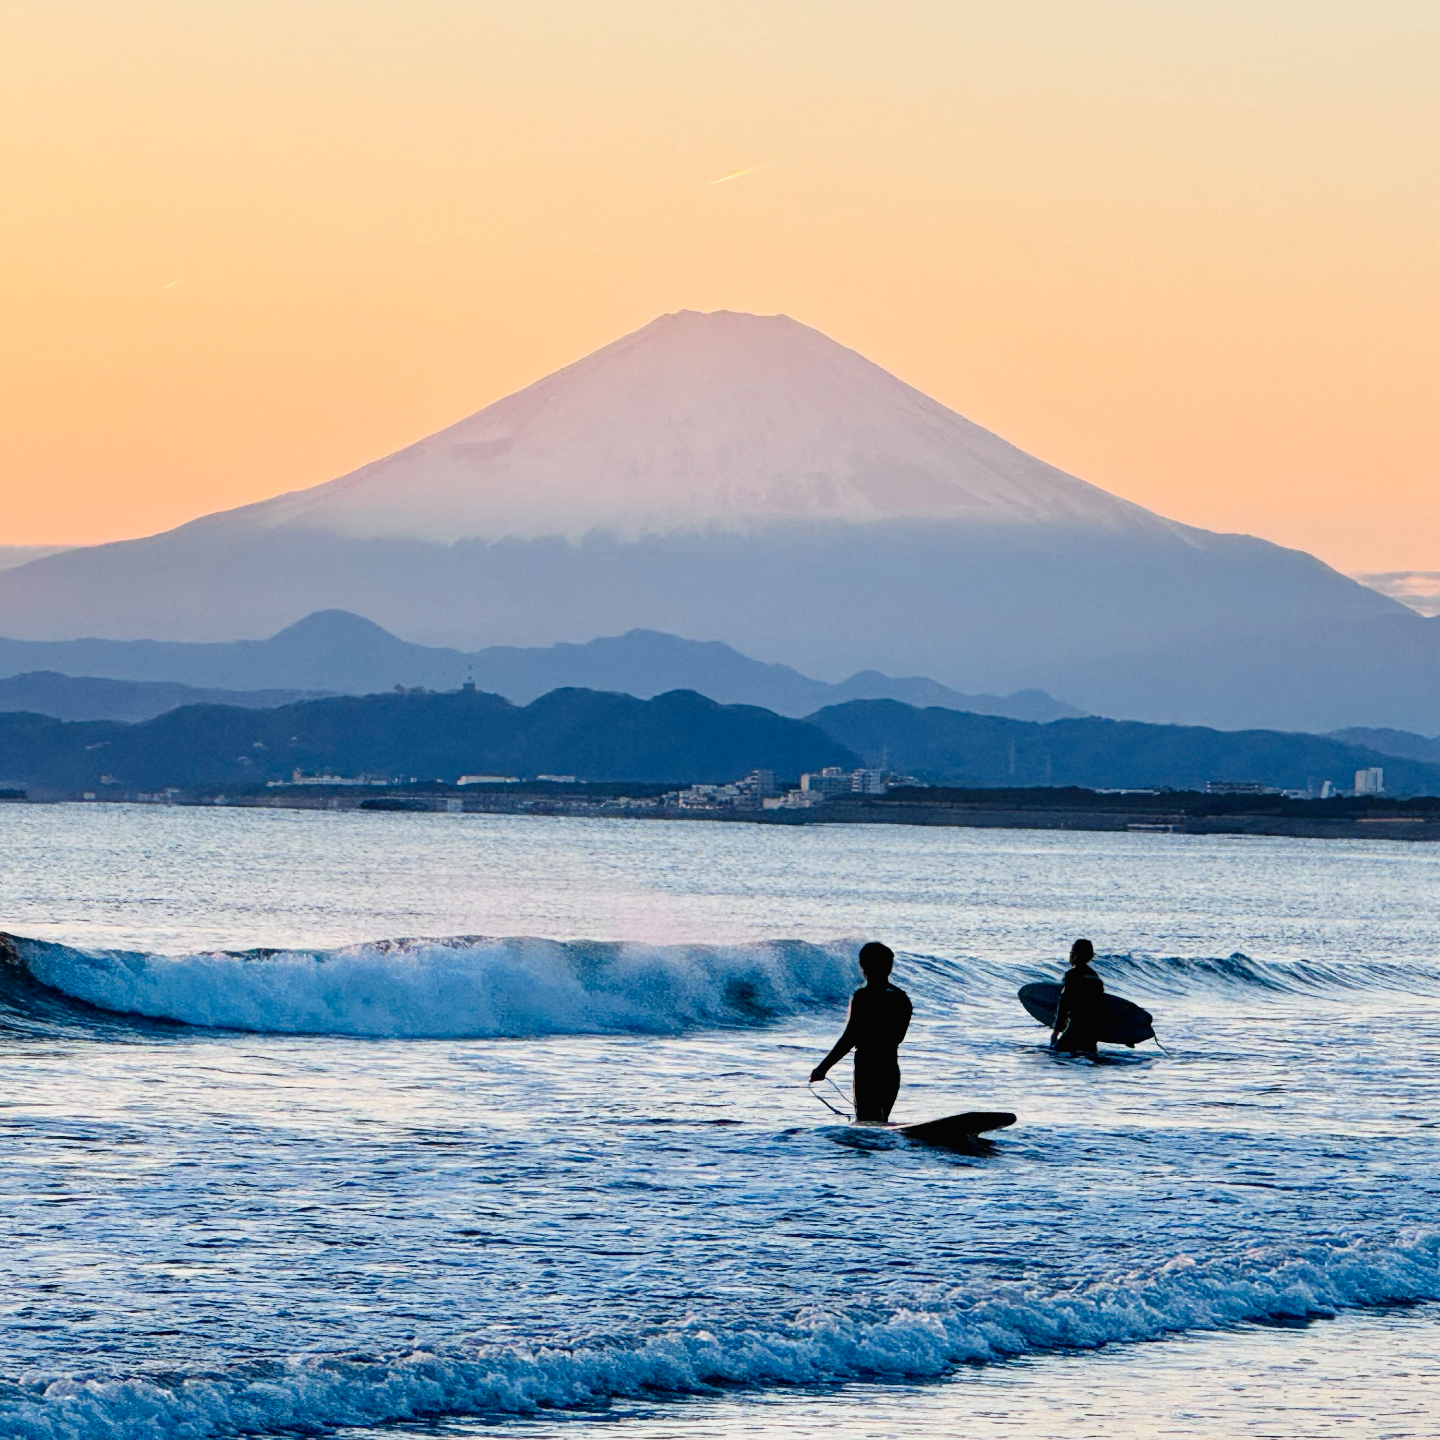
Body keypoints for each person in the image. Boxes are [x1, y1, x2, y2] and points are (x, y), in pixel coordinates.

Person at [809, 942, 913, 1122]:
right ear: (889, 967)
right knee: (880, 1125)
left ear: (864, 967)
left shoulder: (863, 997)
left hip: (868, 1070)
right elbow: (898, 1038)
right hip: (890, 1071)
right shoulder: (902, 999)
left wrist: (823, 1068)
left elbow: (850, 1037)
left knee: (868, 1129)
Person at [1051, 938, 1104, 1054]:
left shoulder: (1072, 975)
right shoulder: (1095, 977)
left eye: (1072, 953)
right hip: (1092, 1030)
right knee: (1089, 1058)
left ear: (1076, 955)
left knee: (1055, 1054)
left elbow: (1064, 1003)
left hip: (1076, 1028)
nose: (1070, 955)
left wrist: (1056, 1031)